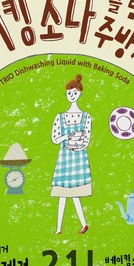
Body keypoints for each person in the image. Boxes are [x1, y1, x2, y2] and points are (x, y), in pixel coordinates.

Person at [50, 74, 92, 234]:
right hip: (64, 158)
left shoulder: (86, 117)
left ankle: (81, 224)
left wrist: (79, 144)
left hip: (79, 157)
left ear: (80, 94)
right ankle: (59, 228)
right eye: (69, 93)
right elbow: (55, 138)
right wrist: (66, 136)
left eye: (74, 92)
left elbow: (87, 139)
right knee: (62, 193)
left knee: (75, 193)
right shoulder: (59, 117)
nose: (71, 95)